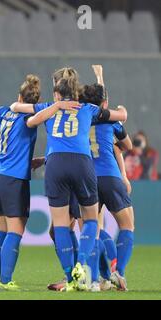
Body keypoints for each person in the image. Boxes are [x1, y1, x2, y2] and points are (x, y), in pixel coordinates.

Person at [0, 75, 77, 290]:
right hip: (14, 180)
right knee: (15, 232)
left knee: (2, 231)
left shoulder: (5, 113)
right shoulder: (33, 116)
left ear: (19, 96)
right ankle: (6, 280)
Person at [12, 67, 127, 291]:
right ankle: (82, 264)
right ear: (76, 92)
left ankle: (71, 276)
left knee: (61, 226)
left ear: (56, 93)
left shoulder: (48, 107)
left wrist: (56, 107)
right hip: (82, 164)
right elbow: (120, 116)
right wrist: (120, 108)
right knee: (91, 220)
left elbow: (22, 113)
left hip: (55, 164)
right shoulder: (87, 109)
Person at [83, 65, 134, 291]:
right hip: (110, 177)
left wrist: (99, 77)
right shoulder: (112, 120)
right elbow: (128, 146)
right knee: (127, 226)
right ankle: (118, 273)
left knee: (93, 228)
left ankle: (96, 279)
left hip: (88, 178)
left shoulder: (83, 117)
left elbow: (99, 100)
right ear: (104, 103)